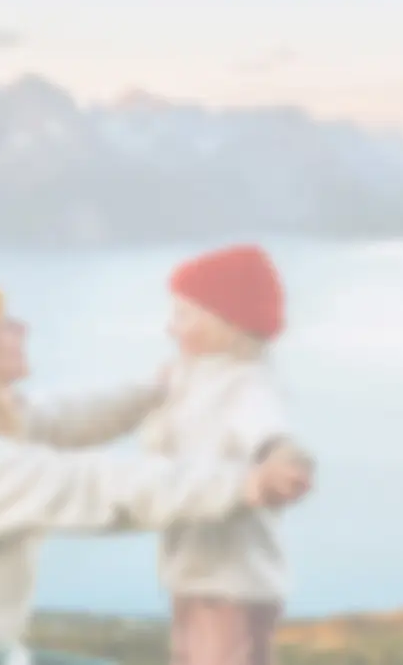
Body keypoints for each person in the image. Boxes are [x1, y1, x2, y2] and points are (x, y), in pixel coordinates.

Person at [0, 266, 312, 665]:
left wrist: (153, 394)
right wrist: (244, 484)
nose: (22, 328)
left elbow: (61, 417)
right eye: (1, 324)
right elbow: (94, 486)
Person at [141, 244, 314, 665]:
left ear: (225, 322)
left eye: (183, 315)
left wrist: (281, 456)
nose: (170, 327)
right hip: (195, 571)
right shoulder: (193, 374)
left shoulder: (247, 383)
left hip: (231, 582)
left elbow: (266, 427)